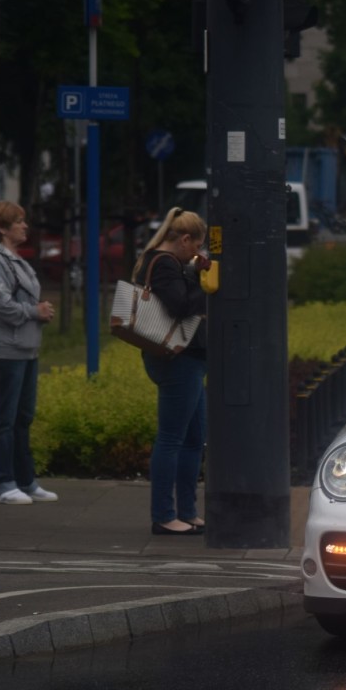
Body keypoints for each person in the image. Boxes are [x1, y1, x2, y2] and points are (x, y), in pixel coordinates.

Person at [136, 207, 211, 536]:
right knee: (171, 438)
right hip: (176, 359)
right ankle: (164, 516)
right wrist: (204, 284)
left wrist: (193, 271)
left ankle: (188, 512)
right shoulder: (165, 264)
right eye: (196, 246)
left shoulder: (170, 263)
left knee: (194, 438)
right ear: (184, 239)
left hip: (187, 359)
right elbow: (179, 306)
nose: (197, 252)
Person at [0, 201, 58, 504]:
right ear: (2, 228)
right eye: (19, 222)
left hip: (26, 348)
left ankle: (25, 480)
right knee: (5, 418)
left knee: (23, 416)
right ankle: (3, 482)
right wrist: (34, 311)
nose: (25, 226)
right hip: (7, 348)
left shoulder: (17, 259)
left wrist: (36, 312)